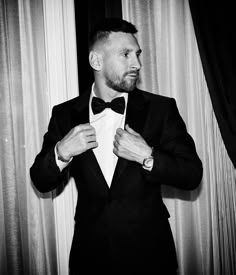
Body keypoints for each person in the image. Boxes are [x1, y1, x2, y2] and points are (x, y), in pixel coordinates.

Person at [30, 18, 203, 274]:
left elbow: (192, 174)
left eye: (138, 54)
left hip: (150, 255)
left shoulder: (160, 109)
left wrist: (148, 156)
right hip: (90, 256)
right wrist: (61, 152)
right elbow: (41, 180)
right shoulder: (64, 114)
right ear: (96, 61)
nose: (137, 64)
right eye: (126, 54)